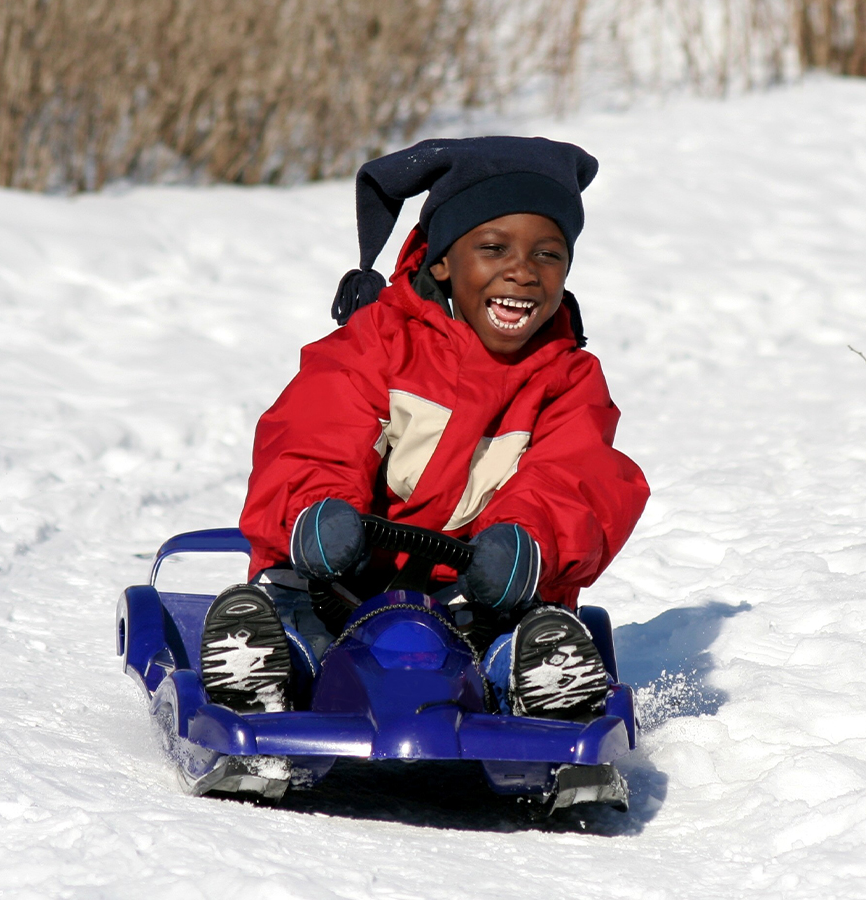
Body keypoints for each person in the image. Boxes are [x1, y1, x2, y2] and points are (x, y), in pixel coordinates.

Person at [199, 136, 649, 722]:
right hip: (340, 582)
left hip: (477, 594)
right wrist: (316, 510)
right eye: (494, 248)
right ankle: (273, 667)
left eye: (548, 255)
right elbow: (313, 431)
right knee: (294, 604)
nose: (523, 271)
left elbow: (579, 473)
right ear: (441, 260)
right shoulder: (376, 343)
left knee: (517, 623)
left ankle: (532, 674)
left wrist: (530, 541)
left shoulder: (569, 379)